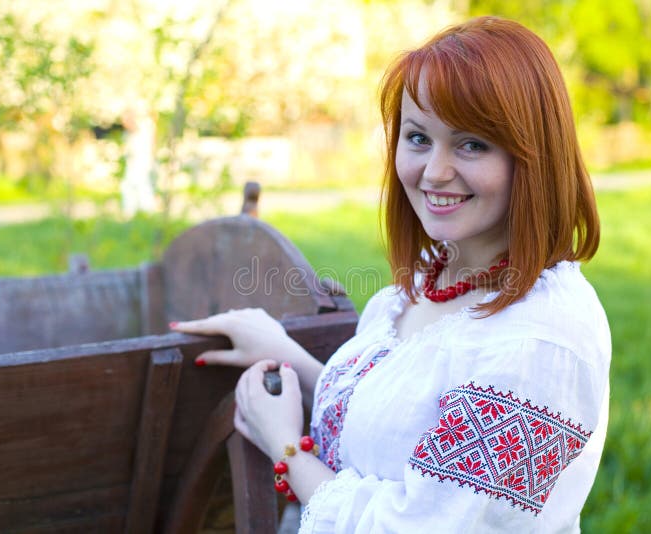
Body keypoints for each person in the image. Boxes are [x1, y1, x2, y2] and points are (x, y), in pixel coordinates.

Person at [172, 16, 610, 533]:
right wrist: (282, 351)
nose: (435, 170)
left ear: (533, 156)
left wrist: (286, 448)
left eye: (471, 144)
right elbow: (396, 422)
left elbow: (416, 526)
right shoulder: (437, 273)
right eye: (418, 137)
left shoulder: (534, 345)